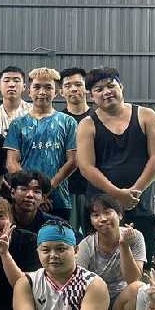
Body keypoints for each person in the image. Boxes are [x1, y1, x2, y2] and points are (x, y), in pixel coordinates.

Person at [77, 68, 155, 259]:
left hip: (139, 204)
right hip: (101, 209)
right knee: (99, 264)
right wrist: (117, 195)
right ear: (91, 96)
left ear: (121, 87)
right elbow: (86, 167)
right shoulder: (87, 125)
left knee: (143, 262)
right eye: (99, 89)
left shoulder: (146, 115)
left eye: (111, 86)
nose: (106, 92)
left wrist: (135, 192)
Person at [76, 194, 146, 310]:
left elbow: (133, 279)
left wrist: (124, 245)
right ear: (91, 221)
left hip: (120, 304)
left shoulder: (135, 237)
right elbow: (78, 285)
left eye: (107, 212)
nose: (102, 219)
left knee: (138, 288)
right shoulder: (86, 245)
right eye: (96, 215)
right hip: (94, 302)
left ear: (120, 214)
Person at [4, 68, 77, 219]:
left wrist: (46, 190)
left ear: (56, 92)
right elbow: (11, 162)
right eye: (37, 87)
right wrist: (32, 191)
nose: (42, 92)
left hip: (58, 200)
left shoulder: (68, 122)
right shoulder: (18, 124)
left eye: (48, 87)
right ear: (29, 91)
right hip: (25, 201)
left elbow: (73, 161)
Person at [60, 66, 91, 235]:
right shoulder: (57, 121)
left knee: (94, 239)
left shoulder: (98, 118)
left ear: (86, 88)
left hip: (93, 190)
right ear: (61, 91)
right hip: (66, 191)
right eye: (68, 85)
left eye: (78, 84)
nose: (73, 89)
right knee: (67, 238)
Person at [0, 66, 30, 137]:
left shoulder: (34, 113)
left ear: (24, 87)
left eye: (16, 81)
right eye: (6, 81)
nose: (11, 85)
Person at [9, 169, 53, 235]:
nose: (30, 195)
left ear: (43, 198)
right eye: (24, 189)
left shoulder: (51, 226)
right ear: (13, 193)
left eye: (36, 191)